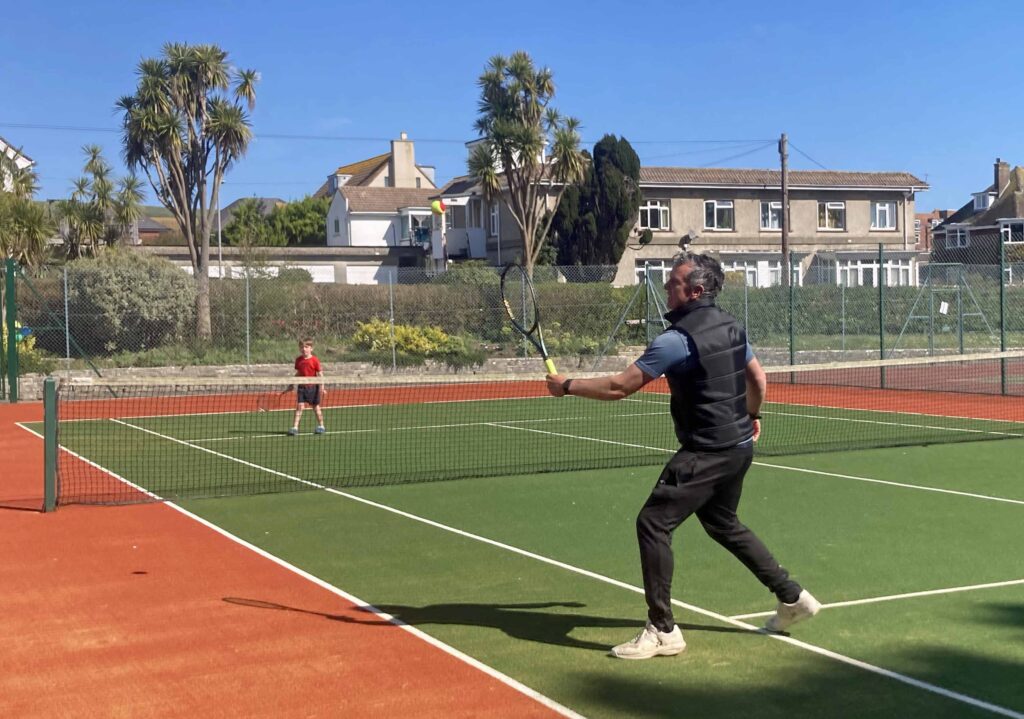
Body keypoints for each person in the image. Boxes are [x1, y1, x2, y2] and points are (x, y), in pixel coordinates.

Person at [546, 252, 820, 660]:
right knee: (723, 523)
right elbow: (758, 379)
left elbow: (620, 387)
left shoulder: (676, 341)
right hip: (739, 445)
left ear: (694, 291)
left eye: (673, 283)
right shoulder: (732, 327)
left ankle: (662, 629)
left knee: (653, 521)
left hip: (706, 451)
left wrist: (566, 385)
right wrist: (751, 415)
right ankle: (793, 597)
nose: (666, 288)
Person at [289, 337, 326, 436]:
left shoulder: (315, 360)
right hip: (302, 387)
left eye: (306, 347)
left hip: (313, 387)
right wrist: (292, 383)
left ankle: (321, 426)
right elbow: (299, 372)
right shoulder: (298, 360)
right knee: (300, 406)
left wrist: (322, 387)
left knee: (316, 407)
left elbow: (320, 374)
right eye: (302, 347)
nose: (304, 349)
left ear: (311, 348)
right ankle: (295, 427)